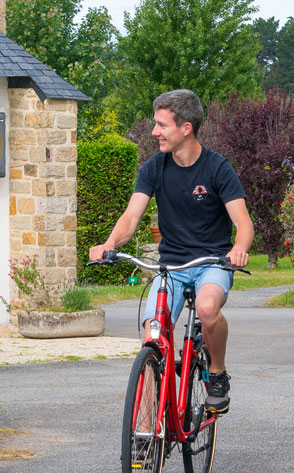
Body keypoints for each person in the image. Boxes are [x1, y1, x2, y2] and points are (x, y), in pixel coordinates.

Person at [89, 89, 253, 413]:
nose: (154, 132)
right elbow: (132, 216)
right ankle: (148, 426)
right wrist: (109, 244)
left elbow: (244, 223)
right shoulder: (155, 167)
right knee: (153, 332)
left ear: (186, 128)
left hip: (212, 263)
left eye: (162, 125)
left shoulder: (217, 168)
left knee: (207, 309)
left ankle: (217, 373)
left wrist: (239, 249)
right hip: (171, 267)